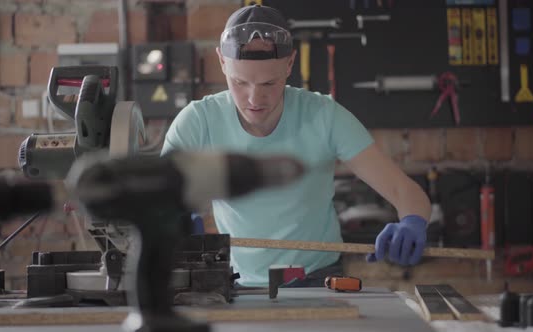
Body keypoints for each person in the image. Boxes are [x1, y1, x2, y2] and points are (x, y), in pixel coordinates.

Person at [161, 4, 431, 287]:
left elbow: (405, 191)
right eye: (240, 82)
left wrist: (412, 221)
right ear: (222, 62)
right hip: (239, 284)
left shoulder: (325, 116)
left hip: (319, 277)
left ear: (290, 64)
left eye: (269, 83)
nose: (254, 99)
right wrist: (174, 216)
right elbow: (159, 196)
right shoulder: (198, 121)